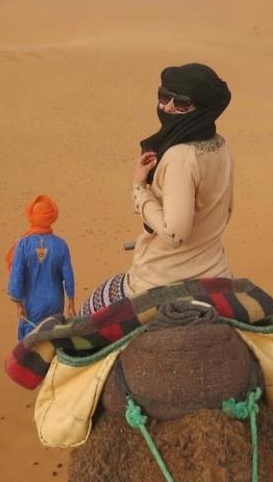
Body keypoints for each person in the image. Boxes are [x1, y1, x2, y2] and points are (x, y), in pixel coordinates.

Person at [81, 63, 233, 315]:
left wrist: (140, 188)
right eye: (164, 97)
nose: (168, 107)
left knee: (90, 310)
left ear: (201, 108)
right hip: (217, 275)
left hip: (160, 280)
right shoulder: (221, 146)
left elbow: (175, 234)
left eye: (182, 103)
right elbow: (226, 210)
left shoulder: (178, 158)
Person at [6, 195, 76, 339]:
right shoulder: (61, 245)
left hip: (31, 305)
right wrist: (71, 302)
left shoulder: (23, 244)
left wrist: (18, 304)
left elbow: (17, 275)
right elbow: (68, 276)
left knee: (29, 343)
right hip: (55, 303)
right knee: (53, 339)